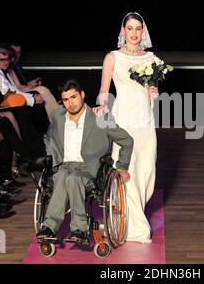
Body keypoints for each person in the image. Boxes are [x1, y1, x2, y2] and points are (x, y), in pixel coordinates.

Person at [36, 80, 133, 243]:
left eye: (73, 97)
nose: (70, 103)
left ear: (82, 95)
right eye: (66, 100)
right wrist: (51, 156)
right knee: (61, 176)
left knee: (72, 178)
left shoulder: (100, 117)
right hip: (64, 167)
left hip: (88, 169)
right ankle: (49, 227)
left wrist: (122, 166)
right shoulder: (57, 117)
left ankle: (79, 229)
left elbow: (127, 140)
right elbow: (48, 138)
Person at [95, 12, 158, 243]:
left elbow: (154, 91)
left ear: (143, 31)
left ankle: (134, 214)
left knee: (146, 170)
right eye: (129, 28)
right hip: (124, 118)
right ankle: (136, 227)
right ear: (123, 31)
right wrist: (102, 106)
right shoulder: (112, 57)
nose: (134, 33)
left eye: (138, 28)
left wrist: (154, 93)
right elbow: (104, 91)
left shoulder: (151, 58)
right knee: (126, 168)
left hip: (145, 120)